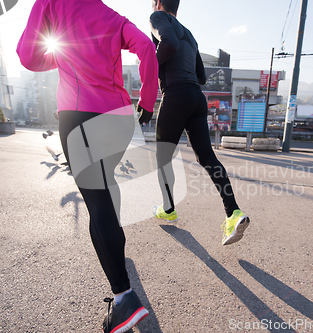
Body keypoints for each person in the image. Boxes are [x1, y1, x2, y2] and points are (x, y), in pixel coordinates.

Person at [17, 0, 158, 332]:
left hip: (81, 118)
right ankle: (117, 258)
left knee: (97, 202)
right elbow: (147, 50)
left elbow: (27, 55)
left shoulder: (51, 3)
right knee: (105, 191)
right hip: (121, 119)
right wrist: (147, 103)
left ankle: (124, 299)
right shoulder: (113, 17)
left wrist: (59, 58)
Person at [149, 0, 250, 245]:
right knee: (207, 158)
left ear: (159, 3)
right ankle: (233, 212)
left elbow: (169, 43)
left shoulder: (157, 18)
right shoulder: (191, 36)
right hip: (197, 98)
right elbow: (202, 77)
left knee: (162, 157)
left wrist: (149, 64)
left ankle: (169, 208)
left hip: (175, 96)